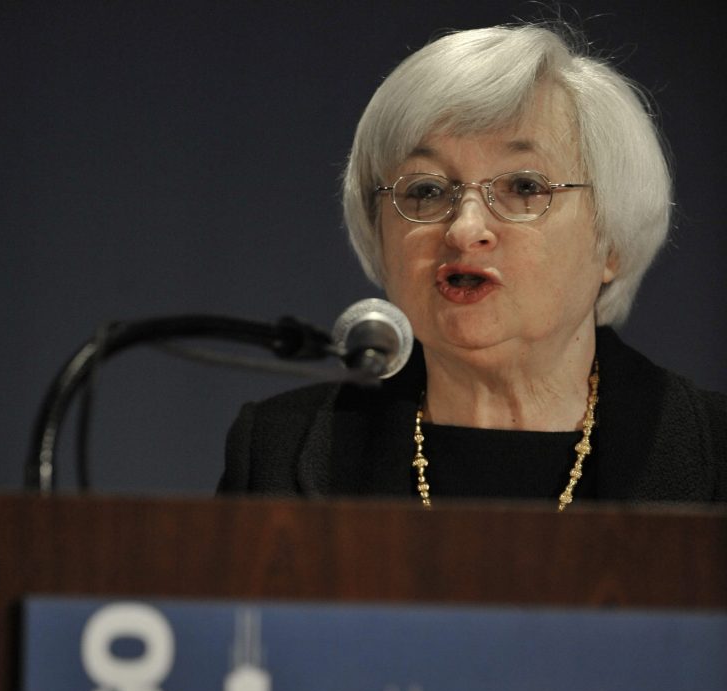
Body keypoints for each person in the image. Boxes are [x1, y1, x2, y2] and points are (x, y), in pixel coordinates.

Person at [218, 22, 727, 505]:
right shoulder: (279, 454)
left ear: (611, 243)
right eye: (425, 191)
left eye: (525, 187)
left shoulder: (714, 457)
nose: (464, 230)